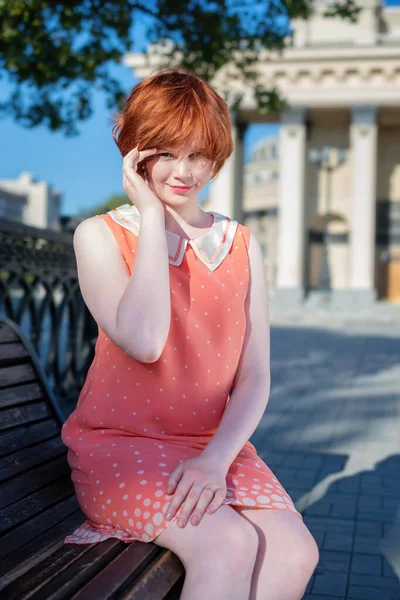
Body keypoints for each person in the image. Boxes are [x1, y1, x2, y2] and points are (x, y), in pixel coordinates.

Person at [61, 68, 319, 600]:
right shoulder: (100, 237)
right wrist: (152, 217)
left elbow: (254, 375)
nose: (183, 171)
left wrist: (214, 460)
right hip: (121, 446)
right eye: (165, 152)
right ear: (134, 152)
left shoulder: (242, 244)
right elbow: (145, 340)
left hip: (213, 446)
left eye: (198, 154)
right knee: (225, 541)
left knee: (296, 552)